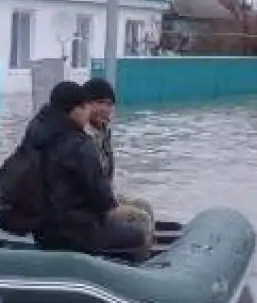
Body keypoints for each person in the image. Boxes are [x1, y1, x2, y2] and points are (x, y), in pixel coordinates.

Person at [14, 81, 148, 260]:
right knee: (139, 226)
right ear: (75, 109)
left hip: (47, 225)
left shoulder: (40, 134)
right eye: (87, 106)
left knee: (138, 211)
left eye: (109, 104)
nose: (89, 111)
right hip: (75, 228)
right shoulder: (79, 144)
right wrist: (111, 208)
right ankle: (133, 276)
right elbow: (100, 196)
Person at [81, 77, 155, 245]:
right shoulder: (83, 137)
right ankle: (138, 263)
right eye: (100, 103)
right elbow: (88, 184)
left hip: (104, 197)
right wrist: (109, 205)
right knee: (140, 219)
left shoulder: (103, 132)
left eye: (109, 104)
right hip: (89, 207)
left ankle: (146, 252)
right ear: (86, 104)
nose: (106, 109)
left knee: (144, 206)